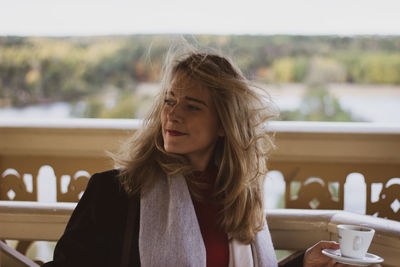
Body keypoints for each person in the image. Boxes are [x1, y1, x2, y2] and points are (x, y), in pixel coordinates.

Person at [43, 46, 354, 267]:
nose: (173, 115)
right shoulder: (114, 193)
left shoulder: (239, 194)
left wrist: (302, 264)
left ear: (223, 124)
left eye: (192, 106)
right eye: (169, 101)